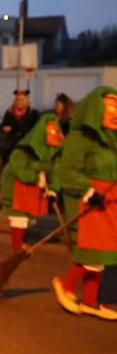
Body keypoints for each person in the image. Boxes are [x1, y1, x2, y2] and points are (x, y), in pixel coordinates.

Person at [52, 86, 117, 320]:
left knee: (102, 254)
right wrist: (88, 190)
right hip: (90, 201)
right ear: (96, 109)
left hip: (110, 203)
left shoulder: (112, 140)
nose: (115, 113)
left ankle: (90, 302)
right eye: (109, 107)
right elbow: (66, 171)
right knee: (94, 253)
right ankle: (65, 284)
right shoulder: (81, 137)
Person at [0, 113, 63, 253]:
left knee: (29, 218)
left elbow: (56, 172)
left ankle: (23, 240)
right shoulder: (23, 149)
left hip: (33, 187)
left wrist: (52, 189)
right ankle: (17, 247)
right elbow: (18, 170)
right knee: (19, 217)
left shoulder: (54, 153)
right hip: (16, 186)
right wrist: (35, 178)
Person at [0, 90, 40, 166]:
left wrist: (15, 129)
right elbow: (3, 126)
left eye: (22, 100)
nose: (19, 102)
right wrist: (4, 129)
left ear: (27, 101)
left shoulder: (33, 113)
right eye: (17, 99)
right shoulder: (9, 112)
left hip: (25, 145)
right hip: (10, 145)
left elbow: (35, 129)